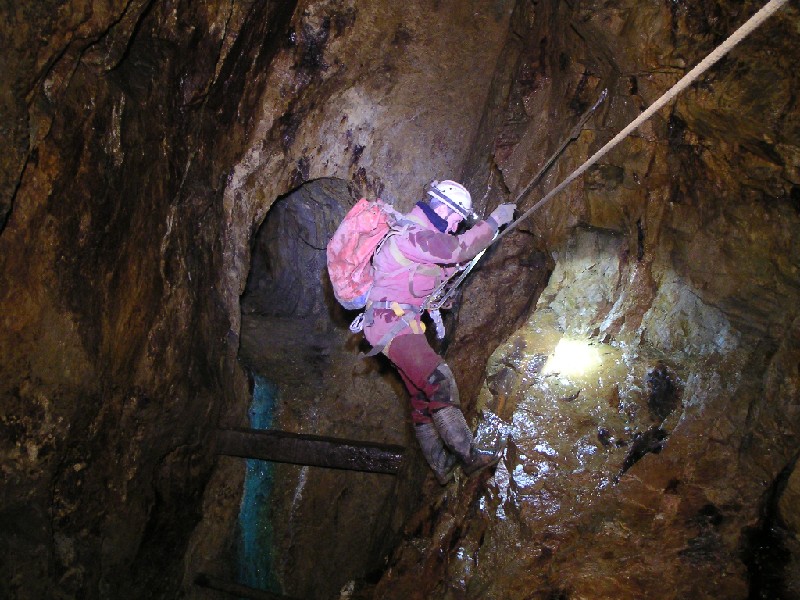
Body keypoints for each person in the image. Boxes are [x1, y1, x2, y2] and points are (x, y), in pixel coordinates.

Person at [362, 180, 516, 484]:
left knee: (422, 396)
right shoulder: (413, 234)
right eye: (458, 217)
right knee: (438, 379)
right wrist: (495, 221)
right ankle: (469, 458)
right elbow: (458, 250)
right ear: (443, 207)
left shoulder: (421, 237)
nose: (458, 224)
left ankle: (442, 467)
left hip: (395, 322)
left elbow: (437, 270)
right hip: (389, 322)